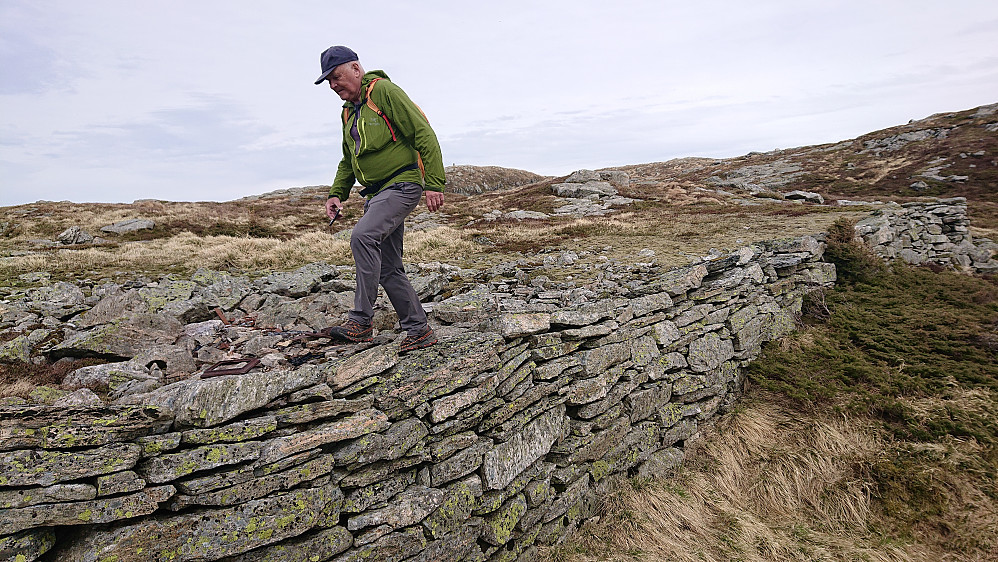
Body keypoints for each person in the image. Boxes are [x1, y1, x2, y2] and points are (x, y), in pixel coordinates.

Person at [314, 45, 445, 353]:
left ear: (356, 70)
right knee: (388, 267)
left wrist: (435, 183)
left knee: (362, 236)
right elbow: (348, 159)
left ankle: (360, 322)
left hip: (402, 184)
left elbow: (423, 133)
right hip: (376, 194)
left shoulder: (384, 92)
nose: (334, 86)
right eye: (328, 82)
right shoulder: (348, 112)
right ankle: (419, 331)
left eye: (336, 77)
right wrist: (337, 193)